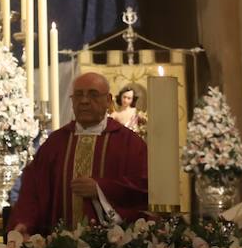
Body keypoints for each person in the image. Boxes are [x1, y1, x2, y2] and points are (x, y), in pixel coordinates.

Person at [9, 72, 148, 235]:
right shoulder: (55, 143)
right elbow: (33, 188)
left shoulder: (129, 143)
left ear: (108, 101)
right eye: (78, 95)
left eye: (93, 94)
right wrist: (24, 223)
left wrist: (100, 188)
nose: (84, 101)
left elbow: (142, 186)